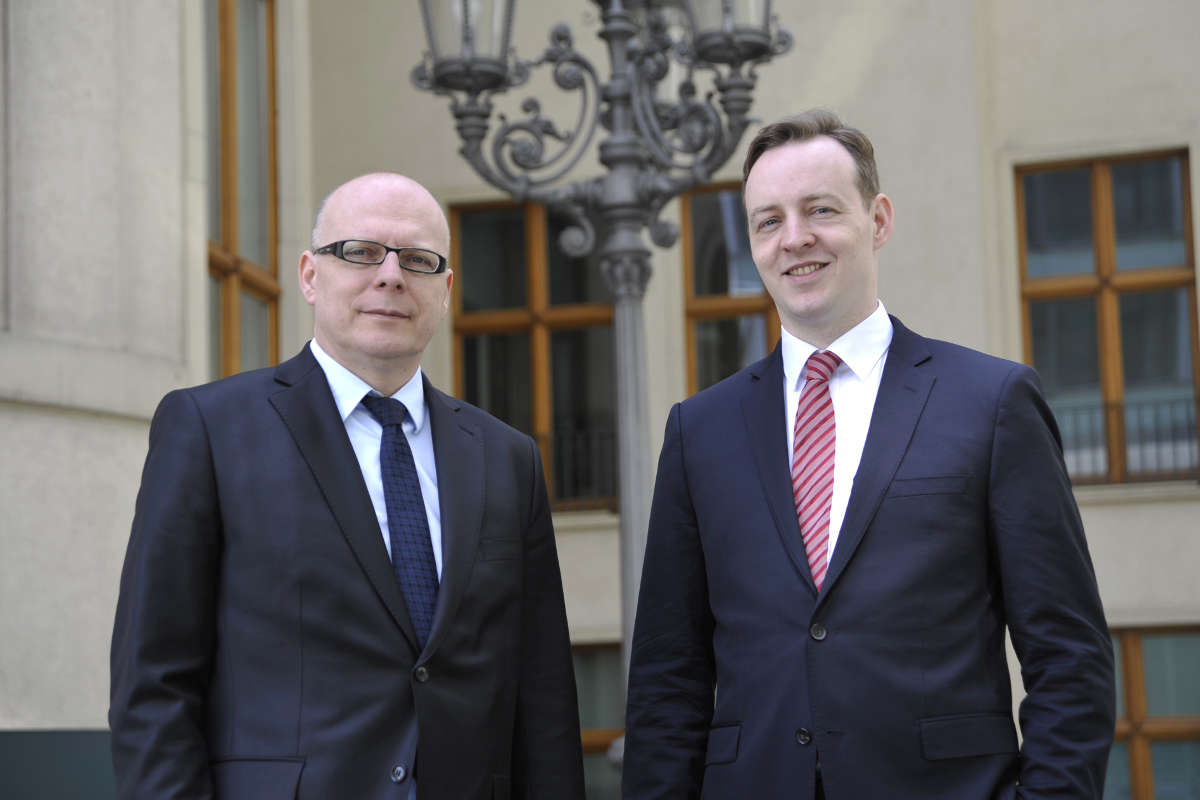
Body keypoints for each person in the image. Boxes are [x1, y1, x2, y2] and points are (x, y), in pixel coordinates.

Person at [622, 110, 1115, 799]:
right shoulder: (700, 430)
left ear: (878, 219)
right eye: (768, 221)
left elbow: (1070, 657)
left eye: (820, 210)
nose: (795, 239)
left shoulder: (992, 402)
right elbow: (665, 682)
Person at [110, 173, 585, 799]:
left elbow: (542, 691)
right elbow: (154, 682)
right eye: (360, 252)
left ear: (444, 291)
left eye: (418, 260)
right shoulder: (210, 430)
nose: (390, 276)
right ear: (310, 275)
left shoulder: (507, 458)